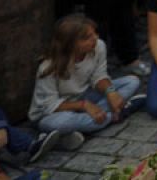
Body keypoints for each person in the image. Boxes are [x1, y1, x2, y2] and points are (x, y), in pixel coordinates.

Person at [28, 15, 142, 148]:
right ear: (70, 43)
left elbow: (99, 76)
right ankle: (117, 114)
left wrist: (111, 92)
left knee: (132, 81)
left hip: (85, 95)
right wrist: (84, 105)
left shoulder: (98, 46)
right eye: (87, 37)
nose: (95, 38)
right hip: (53, 112)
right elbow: (49, 105)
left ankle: (76, 129)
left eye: (95, 33)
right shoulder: (48, 67)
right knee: (56, 123)